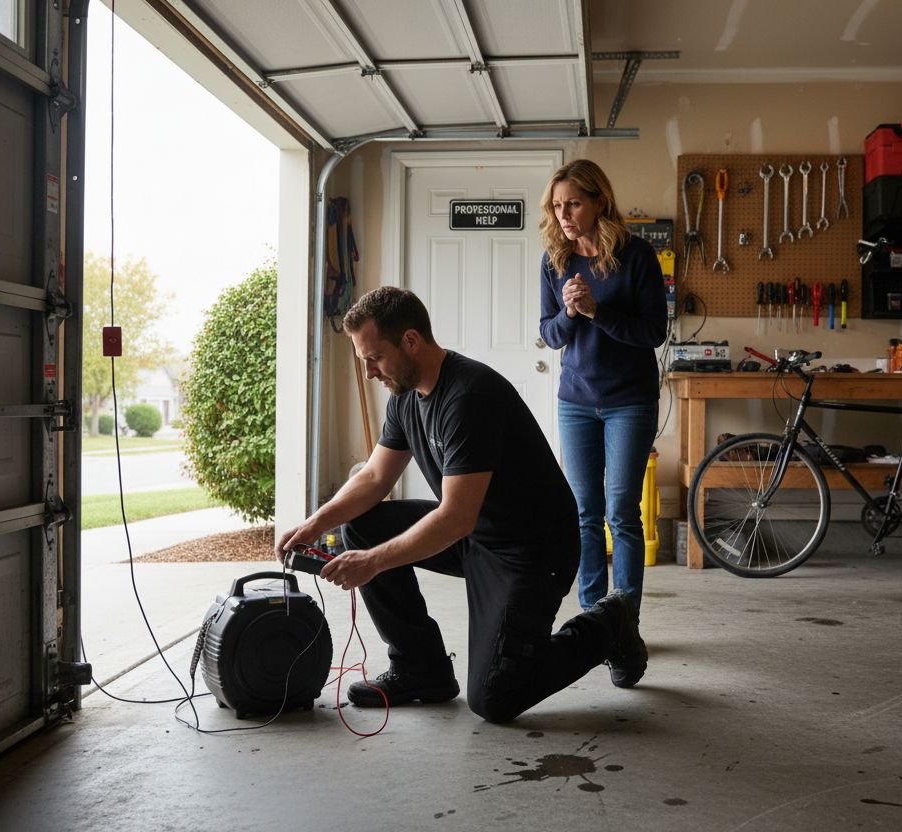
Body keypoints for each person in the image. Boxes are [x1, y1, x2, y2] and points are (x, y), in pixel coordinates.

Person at [275, 286, 647, 723]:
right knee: (361, 525)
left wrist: (371, 563)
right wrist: (315, 523)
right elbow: (375, 478)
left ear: (410, 341)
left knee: (496, 697)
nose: (370, 372)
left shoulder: (469, 396)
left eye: (374, 358)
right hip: (476, 535)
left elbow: (454, 518)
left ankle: (608, 624)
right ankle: (420, 669)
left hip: (530, 551)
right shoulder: (405, 396)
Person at [538, 159, 668, 613]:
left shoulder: (637, 256)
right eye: (557, 206)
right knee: (584, 514)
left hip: (629, 401)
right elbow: (550, 334)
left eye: (573, 203)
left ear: (599, 202)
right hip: (576, 402)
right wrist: (570, 313)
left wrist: (597, 312)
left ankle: (623, 621)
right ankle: (594, 617)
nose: (564, 215)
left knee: (622, 513)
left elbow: (654, 332)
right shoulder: (555, 260)